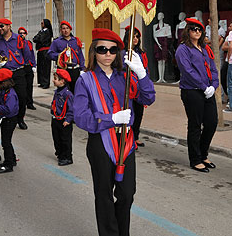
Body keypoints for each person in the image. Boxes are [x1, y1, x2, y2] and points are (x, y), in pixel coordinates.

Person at [74, 28, 155, 236]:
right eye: (102, 49)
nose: (108, 54)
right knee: (104, 195)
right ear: (94, 52)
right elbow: (81, 117)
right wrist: (111, 119)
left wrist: (142, 73)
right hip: (100, 140)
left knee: (127, 193)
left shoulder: (125, 76)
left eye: (113, 49)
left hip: (125, 140)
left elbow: (148, 99)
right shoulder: (85, 79)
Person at [175, 18, 219, 173]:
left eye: (199, 30)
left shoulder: (205, 48)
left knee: (212, 122)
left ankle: (203, 153)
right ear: (188, 31)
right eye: (193, 29)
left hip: (208, 91)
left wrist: (214, 85)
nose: (197, 32)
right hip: (192, 91)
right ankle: (195, 159)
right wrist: (204, 86)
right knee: (195, 125)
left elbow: (213, 67)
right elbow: (188, 71)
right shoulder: (183, 49)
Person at [0, 18, 32, 130]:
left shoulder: (19, 39)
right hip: (3, 74)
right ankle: (4, 115)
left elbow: (27, 55)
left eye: (2, 26)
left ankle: (20, 118)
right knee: (3, 96)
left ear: (8, 26)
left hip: (18, 72)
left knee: (22, 97)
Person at [123, 25, 149, 148]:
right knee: (130, 113)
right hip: (128, 87)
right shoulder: (123, 52)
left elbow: (145, 69)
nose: (135, 39)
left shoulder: (141, 53)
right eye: (133, 36)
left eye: (137, 37)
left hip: (140, 87)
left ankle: (136, 136)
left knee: (139, 113)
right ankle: (129, 138)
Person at [0, 68, 20, 174]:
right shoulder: (4, 91)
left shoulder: (10, 94)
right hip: (5, 119)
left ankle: (8, 164)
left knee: (6, 142)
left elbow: (8, 109)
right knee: (7, 141)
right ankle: (12, 158)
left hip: (9, 120)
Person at [48, 20, 85, 93]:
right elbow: (50, 54)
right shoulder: (56, 42)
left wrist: (82, 68)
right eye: (63, 28)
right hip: (63, 70)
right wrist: (60, 56)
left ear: (70, 29)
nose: (65, 30)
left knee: (76, 91)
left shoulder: (76, 41)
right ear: (61, 30)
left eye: (67, 28)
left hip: (75, 70)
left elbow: (80, 55)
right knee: (64, 92)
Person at [50, 68, 74, 166]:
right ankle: (60, 153)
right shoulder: (57, 92)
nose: (53, 80)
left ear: (62, 81)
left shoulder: (67, 94)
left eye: (55, 79)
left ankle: (67, 157)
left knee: (65, 139)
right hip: (56, 118)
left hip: (64, 120)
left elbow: (71, 108)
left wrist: (68, 120)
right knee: (56, 137)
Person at [18, 27, 36, 110]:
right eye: (20, 33)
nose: (22, 34)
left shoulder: (28, 43)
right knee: (22, 86)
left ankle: (29, 103)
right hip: (21, 66)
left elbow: (32, 54)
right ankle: (22, 102)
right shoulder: (17, 43)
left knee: (29, 86)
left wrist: (34, 65)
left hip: (28, 66)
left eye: (23, 33)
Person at [33, 18, 53, 89]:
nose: (41, 24)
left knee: (46, 67)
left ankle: (46, 83)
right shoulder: (41, 31)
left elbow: (40, 39)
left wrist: (38, 38)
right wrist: (37, 38)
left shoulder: (47, 32)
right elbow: (34, 39)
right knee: (40, 67)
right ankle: (41, 82)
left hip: (45, 51)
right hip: (40, 51)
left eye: (42, 23)